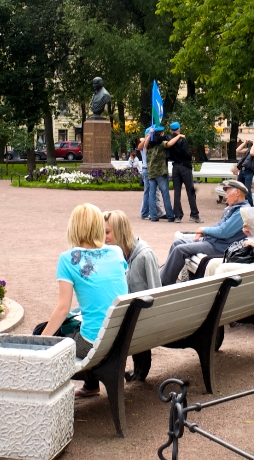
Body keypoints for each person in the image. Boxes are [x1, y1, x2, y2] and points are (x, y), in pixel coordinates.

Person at [39, 203, 128, 398]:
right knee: (83, 320)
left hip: (93, 343)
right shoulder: (116, 252)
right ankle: (90, 385)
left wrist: (38, 341)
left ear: (74, 227)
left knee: (44, 330)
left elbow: (62, 309)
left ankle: (47, 395)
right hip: (122, 336)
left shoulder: (67, 259)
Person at [104, 210, 160, 381]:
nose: (103, 237)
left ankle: (126, 372)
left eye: (107, 232)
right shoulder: (115, 255)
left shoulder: (145, 255)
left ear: (120, 231)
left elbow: (157, 292)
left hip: (143, 320)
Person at [159, 180, 248, 286]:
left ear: (237, 192)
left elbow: (224, 232)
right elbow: (219, 227)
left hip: (220, 247)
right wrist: (205, 233)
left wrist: (203, 230)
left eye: (228, 193)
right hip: (214, 242)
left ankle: (162, 284)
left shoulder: (242, 211)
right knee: (177, 243)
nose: (226, 197)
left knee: (180, 250)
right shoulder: (234, 208)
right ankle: (165, 279)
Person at [166, 122, 202, 224]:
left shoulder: (169, 139)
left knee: (177, 193)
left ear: (171, 130)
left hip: (175, 167)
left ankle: (177, 216)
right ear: (179, 129)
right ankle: (194, 215)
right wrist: (191, 154)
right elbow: (186, 154)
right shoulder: (182, 140)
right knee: (190, 191)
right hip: (185, 167)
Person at [144, 126, 175, 222]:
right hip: (161, 172)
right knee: (165, 194)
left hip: (151, 172)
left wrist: (149, 134)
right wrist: (178, 137)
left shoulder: (149, 145)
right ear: (161, 134)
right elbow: (169, 144)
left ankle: (153, 216)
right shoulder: (162, 144)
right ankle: (170, 216)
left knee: (152, 195)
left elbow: (145, 144)